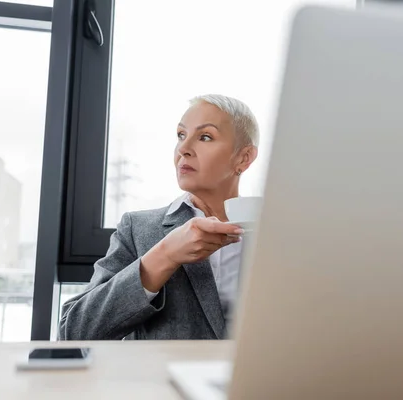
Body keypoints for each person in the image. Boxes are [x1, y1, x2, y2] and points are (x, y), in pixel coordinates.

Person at [59, 94, 259, 340]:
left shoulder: (280, 236)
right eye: (181, 135)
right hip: (157, 380)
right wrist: (165, 255)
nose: (183, 150)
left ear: (244, 157)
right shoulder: (137, 228)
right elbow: (74, 331)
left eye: (205, 137)